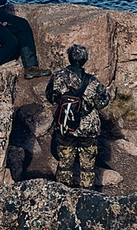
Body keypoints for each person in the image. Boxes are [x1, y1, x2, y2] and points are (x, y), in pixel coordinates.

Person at [44, 44, 113, 189]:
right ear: (85, 60)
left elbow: (51, 97)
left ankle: (63, 194)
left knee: (64, 165)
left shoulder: (57, 77)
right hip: (88, 128)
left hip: (65, 125)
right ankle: (87, 196)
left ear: (69, 58)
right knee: (88, 166)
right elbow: (102, 102)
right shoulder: (92, 81)